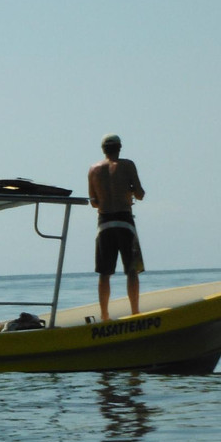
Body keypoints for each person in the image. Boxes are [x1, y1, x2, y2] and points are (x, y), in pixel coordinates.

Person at [88, 133, 145, 321]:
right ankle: (135, 312)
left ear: (103, 149)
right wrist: (130, 192)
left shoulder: (93, 170)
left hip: (104, 222)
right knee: (132, 270)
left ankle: (105, 315)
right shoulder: (127, 165)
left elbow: (94, 202)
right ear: (119, 148)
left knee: (104, 273)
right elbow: (140, 193)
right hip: (124, 220)